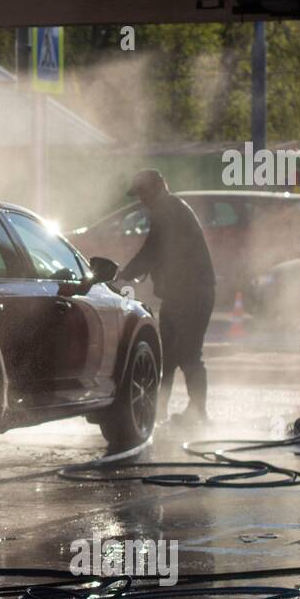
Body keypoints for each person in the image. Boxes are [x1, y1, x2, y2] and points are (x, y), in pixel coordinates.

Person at [116, 169, 215, 425]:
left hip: (192, 294)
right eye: (138, 194)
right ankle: (158, 411)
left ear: (158, 187)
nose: (141, 199)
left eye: (143, 192)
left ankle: (198, 413)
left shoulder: (168, 209)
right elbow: (158, 251)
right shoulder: (169, 208)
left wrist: (125, 274)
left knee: (189, 353)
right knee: (169, 356)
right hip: (179, 295)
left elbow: (152, 249)